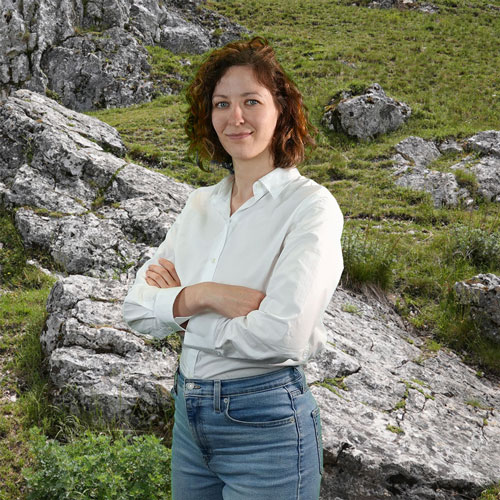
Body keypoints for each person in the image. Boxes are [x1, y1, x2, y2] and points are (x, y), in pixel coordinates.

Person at [122, 36, 344, 500]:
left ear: (281, 111)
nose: (234, 117)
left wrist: (180, 314)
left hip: (265, 421)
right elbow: (136, 310)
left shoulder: (310, 207)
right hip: (190, 416)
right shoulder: (199, 204)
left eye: (251, 101)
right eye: (221, 103)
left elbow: (284, 335)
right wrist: (205, 295)